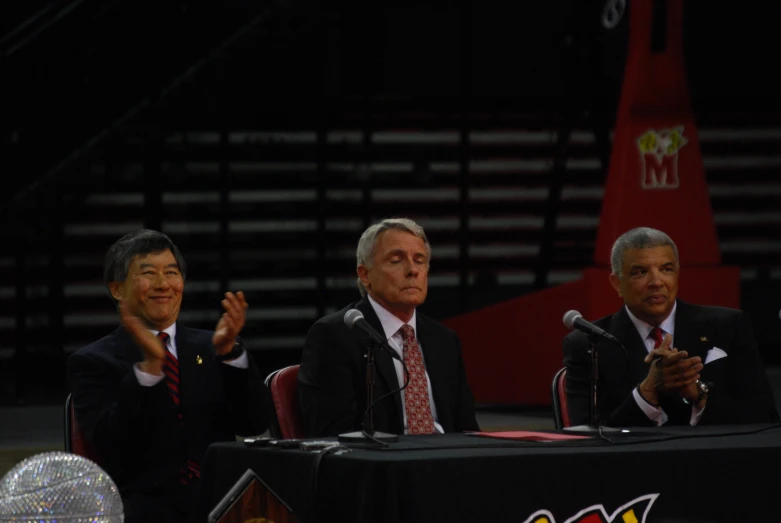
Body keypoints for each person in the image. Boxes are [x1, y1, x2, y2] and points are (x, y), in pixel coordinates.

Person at [67, 229, 269, 523]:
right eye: (148, 273)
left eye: (171, 273)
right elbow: (112, 447)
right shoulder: (93, 361)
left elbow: (253, 423)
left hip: (225, 497)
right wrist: (148, 369)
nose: (163, 285)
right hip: (146, 506)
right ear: (117, 289)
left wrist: (230, 354)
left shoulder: (212, 346)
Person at [563, 227, 779, 427]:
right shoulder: (589, 343)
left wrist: (698, 393)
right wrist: (647, 392)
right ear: (617, 283)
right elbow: (585, 436)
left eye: (666, 269)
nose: (656, 282)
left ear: (677, 274)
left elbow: (764, 418)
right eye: (640, 272)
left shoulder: (730, 326)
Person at [298, 217, 479, 437]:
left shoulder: (445, 340)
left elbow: (468, 429)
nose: (413, 270)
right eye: (396, 260)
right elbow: (333, 435)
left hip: (445, 461)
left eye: (420, 260)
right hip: (383, 464)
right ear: (365, 275)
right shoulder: (336, 335)